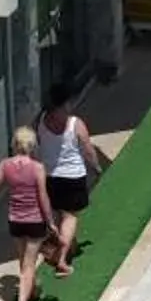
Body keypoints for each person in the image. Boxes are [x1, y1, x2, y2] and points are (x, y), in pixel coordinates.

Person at [0, 126, 63, 301]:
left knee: (23, 262)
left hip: (15, 220)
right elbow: (43, 198)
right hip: (34, 221)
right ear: (32, 145)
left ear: (15, 144)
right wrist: (51, 222)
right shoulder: (37, 168)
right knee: (29, 265)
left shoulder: (5, 165)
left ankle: (33, 290)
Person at [33, 83, 107, 264]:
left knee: (60, 213)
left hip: (50, 176)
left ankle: (68, 245)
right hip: (73, 177)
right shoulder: (75, 124)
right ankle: (62, 257)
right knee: (70, 216)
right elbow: (88, 150)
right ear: (65, 103)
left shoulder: (42, 120)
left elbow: (38, 145)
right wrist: (97, 168)